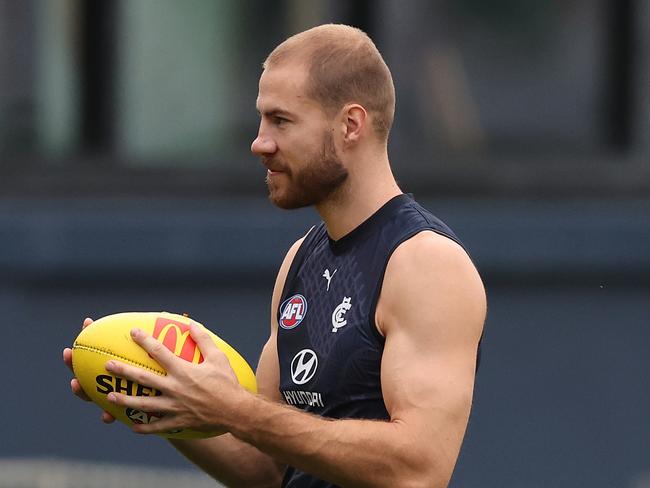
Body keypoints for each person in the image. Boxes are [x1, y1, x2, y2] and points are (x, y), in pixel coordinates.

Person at [63, 24, 486, 488]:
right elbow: (267, 469)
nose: (259, 142)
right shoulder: (300, 260)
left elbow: (419, 469)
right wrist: (169, 394)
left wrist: (234, 408)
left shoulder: (424, 263)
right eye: (262, 120)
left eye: (281, 121)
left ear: (350, 124)